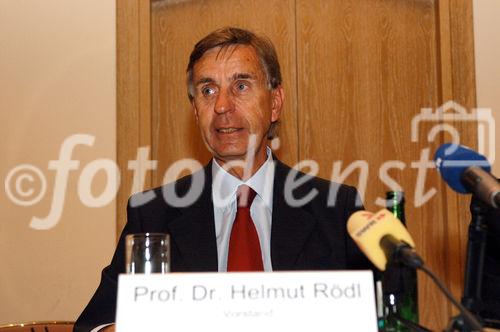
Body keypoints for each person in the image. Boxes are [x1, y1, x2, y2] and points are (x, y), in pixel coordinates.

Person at [74, 27, 372, 332]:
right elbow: (93, 325)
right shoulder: (152, 215)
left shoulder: (336, 210)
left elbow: (381, 319)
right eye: (208, 90)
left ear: (275, 102)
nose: (222, 106)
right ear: (195, 109)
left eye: (241, 86)